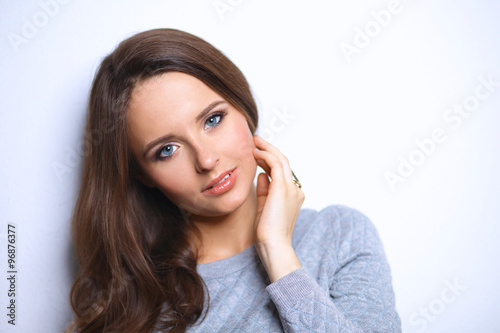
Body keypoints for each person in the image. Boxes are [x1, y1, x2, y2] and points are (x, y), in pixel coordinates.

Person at [67, 28, 401, 332]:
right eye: (167, 149)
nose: (207, 159)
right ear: (143, 174)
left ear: (243, 107)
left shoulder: (339, 234)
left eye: (213, 119)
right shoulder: (130, 296)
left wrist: (277, 251)